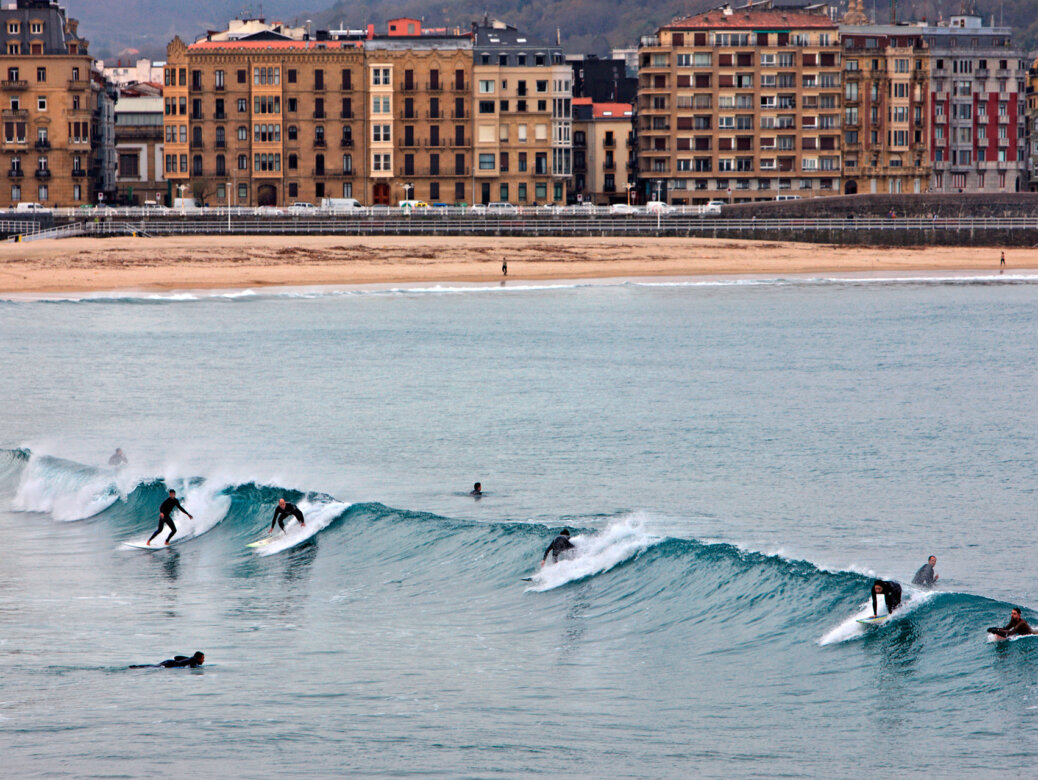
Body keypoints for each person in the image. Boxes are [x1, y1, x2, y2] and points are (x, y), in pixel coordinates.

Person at [131, 651, 205, 669]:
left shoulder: (191, 659)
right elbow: (193, 667)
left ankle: (136, 666)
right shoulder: (194, 660)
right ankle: (136, 667)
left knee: (154, 666)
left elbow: (176, 657)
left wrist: (188, 659)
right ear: (199, 658)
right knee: (153, 667)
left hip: (169, 661)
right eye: (203, 658)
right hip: (171, 664)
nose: (203, 661)